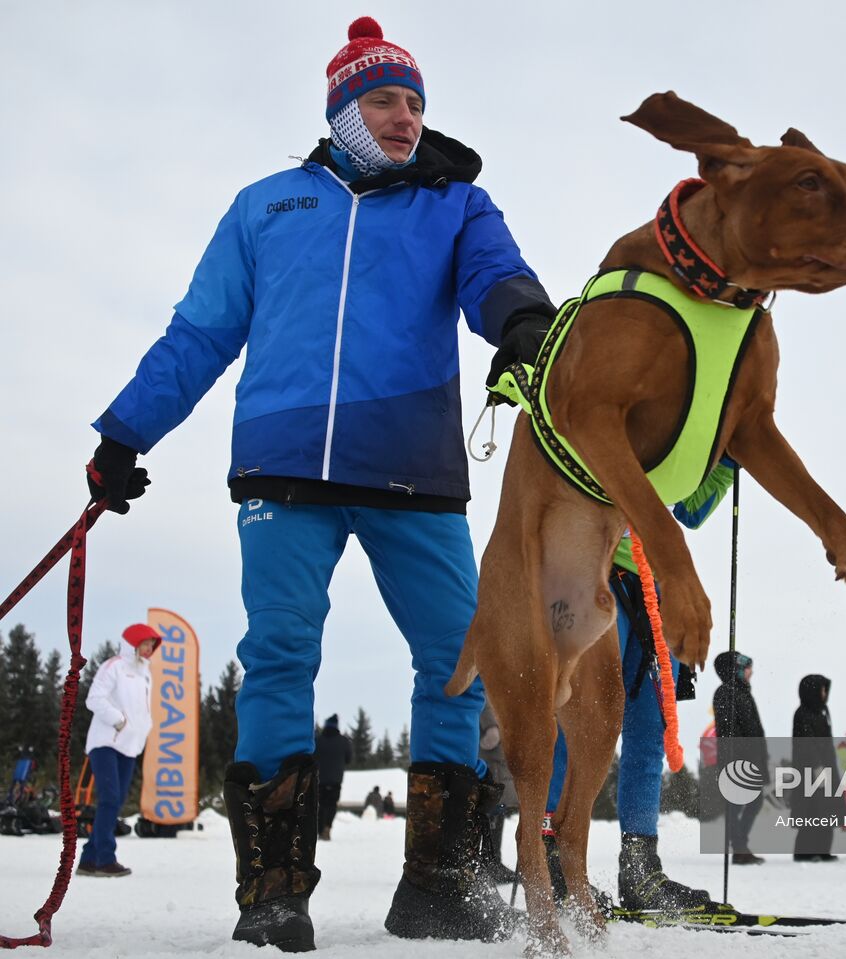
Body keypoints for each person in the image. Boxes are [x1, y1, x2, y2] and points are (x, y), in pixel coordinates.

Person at [83, 17, 554, 949]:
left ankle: (437, 883)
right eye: (384, 99)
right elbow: (200, 333)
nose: (405, 118)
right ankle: (273, 890)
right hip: (284, 466)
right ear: (341, 107)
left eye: (416, 103)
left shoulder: (455, 202)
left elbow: (496, 279)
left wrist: (524, 326)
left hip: (413, 468)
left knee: (461, 663)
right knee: (280, 658)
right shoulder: (266, 206)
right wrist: (124, 433)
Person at [543, 462, 735, 909]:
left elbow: (688, 509)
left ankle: (640, 871)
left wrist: (725, 464)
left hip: (653, 587)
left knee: (650, 730)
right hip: (592, 574)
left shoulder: (674, 437)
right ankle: (552, 860)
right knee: (578, 722)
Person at [77, 624, 160, 878]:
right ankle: (105, 858)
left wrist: (143, 729)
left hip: (129, 746)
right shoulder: (113, 666)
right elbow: (94, 699)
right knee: (110, 798)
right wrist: (118, 720)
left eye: (151, 644)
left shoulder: (145, 672)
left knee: (116, 801)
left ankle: (89, 859)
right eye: (145, 643)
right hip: (106, 742)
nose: (149, 649)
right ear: (133, 643)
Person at [713, 650, 767, 865]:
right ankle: (739, 848)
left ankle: (740, 844)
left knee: (755, 801)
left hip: (752, 757)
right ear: (736, 670)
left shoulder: (744, 693)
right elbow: (728, 731)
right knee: (737, 804)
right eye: (747, 668)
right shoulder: (726, 692)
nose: (751, 672)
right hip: (737, 760)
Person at [791, 674, 842, 862]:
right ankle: (804, 851)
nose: (824, 693)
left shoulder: (823, 711)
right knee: (811, 810)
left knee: (826, 809)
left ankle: (823, 850)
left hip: (826, 766)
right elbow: (805, 743)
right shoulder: (802, 713)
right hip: (810, 771)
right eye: (821, 689)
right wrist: (816, 766)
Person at [477, 701, 518, 884]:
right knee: (491, 811)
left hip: (496, 764)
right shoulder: (485, 690)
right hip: (492, 764)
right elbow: (491, 736)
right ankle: (489, 862)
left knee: (495, 811)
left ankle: (491, 861)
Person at [313, 715, 353, 841]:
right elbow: (348, 759)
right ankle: (327, 827)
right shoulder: (344, 741)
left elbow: (311, 757)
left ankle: (319, 830)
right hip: (336, 780)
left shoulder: (317, 740)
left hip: (319, 779)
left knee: (320, 804)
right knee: (331, 805)